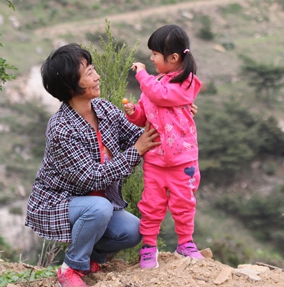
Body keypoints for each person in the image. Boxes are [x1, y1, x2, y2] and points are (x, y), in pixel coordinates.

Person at [24, 43, 161, 287]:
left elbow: (136, 136)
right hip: (59, 204)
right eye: (88, 73)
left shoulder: (104, 108)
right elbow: (92, 178)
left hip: (96, 206)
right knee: (99, 208)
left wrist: (174, 114)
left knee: (133, 230)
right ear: (70, 85)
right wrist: (136, 150)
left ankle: (90, 261)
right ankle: (71, 268)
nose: (97, 76)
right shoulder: (61, 129)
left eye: (93, 69)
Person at [123, 24, 203, 269]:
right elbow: (145, 114)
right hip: (156, 159)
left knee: (183, 202)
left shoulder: (186, 82)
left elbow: (161, 96)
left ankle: (186, 243)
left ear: (174, 58)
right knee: (152, 204)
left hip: (182, 161)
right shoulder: (154, 83)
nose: (151, 58)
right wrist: (133, 112)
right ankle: (148, 247)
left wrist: (142, 75)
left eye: (155, 54)